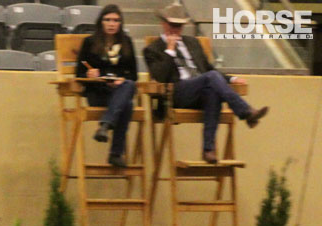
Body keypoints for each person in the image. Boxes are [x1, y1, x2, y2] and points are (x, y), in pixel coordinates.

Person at [144, 2, 268, 163]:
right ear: (164, 24)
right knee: (210, 79)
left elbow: (210, 69)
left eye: (179, 26)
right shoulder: (153, 49)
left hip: (199, 89)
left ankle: (208, 149)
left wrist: (231, 79)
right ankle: (246, 112)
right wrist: (170, 51)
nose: (176, 29)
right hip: (176, 93)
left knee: (212, 92)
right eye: (173, 25)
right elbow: (159, 76)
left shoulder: (192, 43)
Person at [75, 4, 138, 168]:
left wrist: (121, 80)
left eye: (116, 20)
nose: (112, 24)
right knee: (127, 104)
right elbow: (79, 74)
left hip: (119, 90)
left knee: (128, 86)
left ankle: (105, 125)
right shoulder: (89, 42)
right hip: (98, 93)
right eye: (108, 20)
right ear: (101, 22)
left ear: (121, 23)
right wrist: (89, 75)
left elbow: (134, 75)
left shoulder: (127, 42)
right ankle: (115, 153)